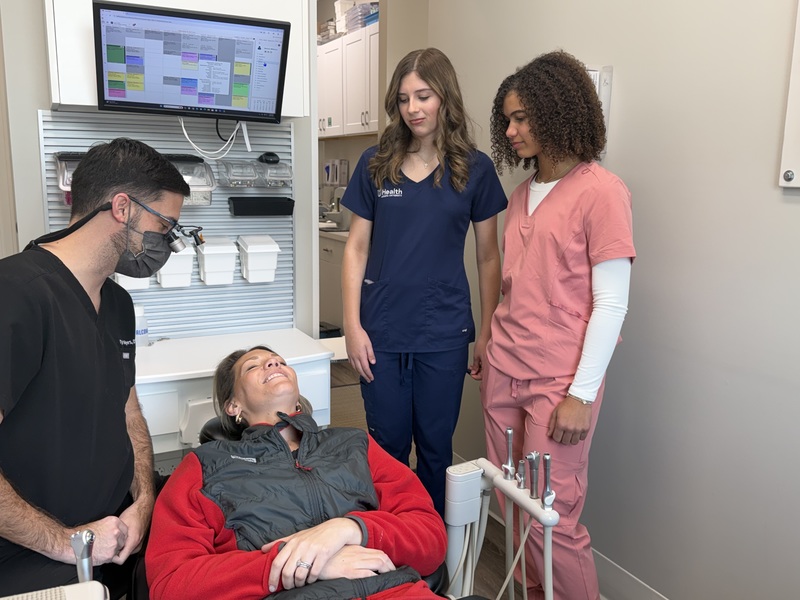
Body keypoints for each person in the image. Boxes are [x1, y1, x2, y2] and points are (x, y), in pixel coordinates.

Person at [0, 138, 191, 595]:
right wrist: (68, 543)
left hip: (117, 540)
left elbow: (127, 413)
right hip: (37, 556)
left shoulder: (118, 302)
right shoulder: (17, 294)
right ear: (122, 207)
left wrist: (143, 502)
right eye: (165, 225)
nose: (167, 242)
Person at [481, 51, 636, 600]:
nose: (511, 129)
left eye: (523, 117)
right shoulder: (522, 196)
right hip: (505, 368)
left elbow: (611, 303)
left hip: (557, 383)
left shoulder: (601, 191)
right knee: (511, 500)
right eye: (508, 118)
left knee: (553, 519)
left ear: (558, 113)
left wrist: (582, 394)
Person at [341, 48, 507, 517]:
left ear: (444, 99)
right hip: (382, 333)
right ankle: (391, 553)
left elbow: (488, 256)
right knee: (387, 451)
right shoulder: (377, 164)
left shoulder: (475, 169)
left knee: (436, 451)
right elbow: (355, 248)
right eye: (403, 98)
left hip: (444, 334)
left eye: (424, 96)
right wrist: (351, 326)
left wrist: (486, 330)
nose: (413, 108)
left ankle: (433, 555)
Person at [144, 345, 447, 600]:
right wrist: (298, 563)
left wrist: (349, 529)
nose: (273, 362)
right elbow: (171, 583)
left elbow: (430, 537)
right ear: (233, 406)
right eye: (253, 366)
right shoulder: (205, 467)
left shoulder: (355, 444)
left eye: (279, 361)